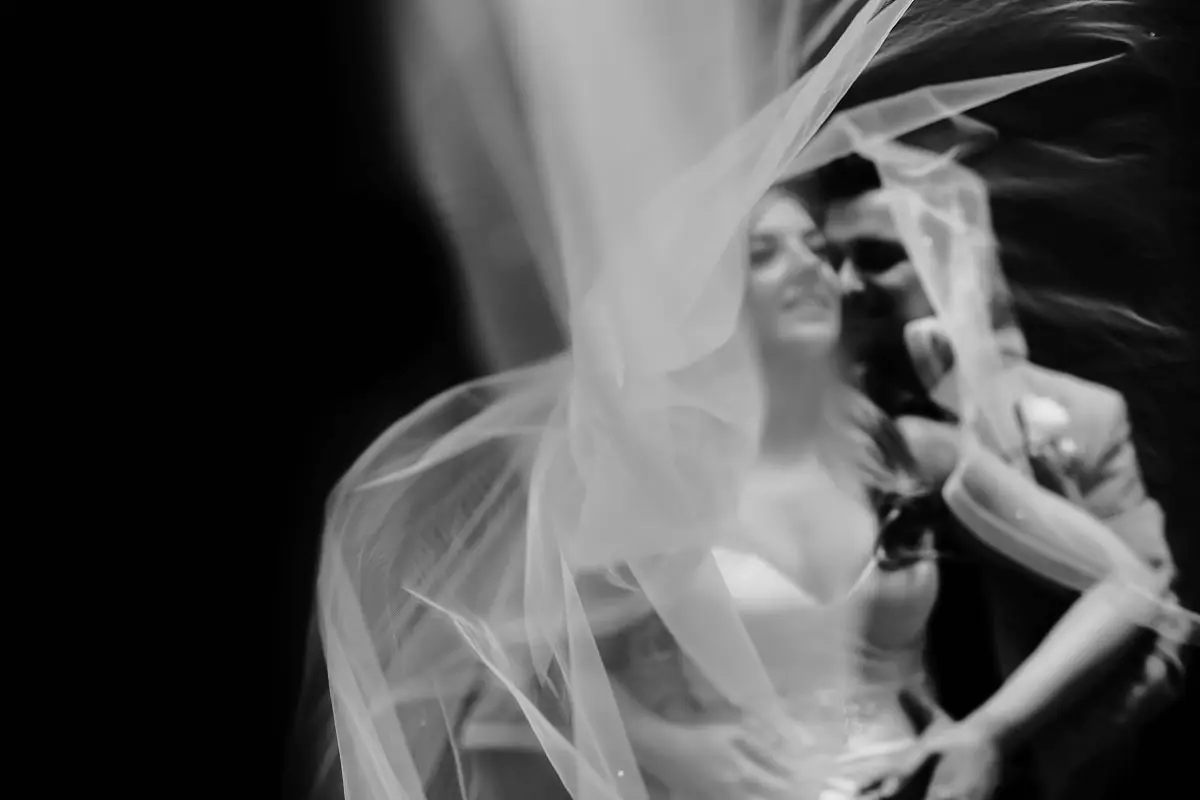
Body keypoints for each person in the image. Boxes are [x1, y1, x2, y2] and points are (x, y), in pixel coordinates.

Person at [317, 3, 1195, 800]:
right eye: (767, 254)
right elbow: (507, 696)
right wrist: (668, 748)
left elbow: (1126, 585)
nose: (818, 269)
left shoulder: (901, 449)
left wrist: (987, 736)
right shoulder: (648, 471)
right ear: (708, 299)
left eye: (816, 246)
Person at [822, 185, 1189, 800]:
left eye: (876, 256)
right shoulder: (793, 428)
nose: (844, 283)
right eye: (828, 257)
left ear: (954, 263)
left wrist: (1008, 759)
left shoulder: (1081, 417)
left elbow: (1162, 633)